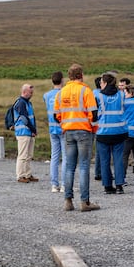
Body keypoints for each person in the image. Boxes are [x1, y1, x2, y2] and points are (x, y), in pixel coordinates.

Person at [54, 64, 100, 212]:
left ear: (69, 76)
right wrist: (93, 129)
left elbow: (56, 115)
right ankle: (84, 202)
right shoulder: (86, 91)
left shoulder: (61, 93)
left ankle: (68, 201)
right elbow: (93, 114)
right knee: (84, 166)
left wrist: (64, 125)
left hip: (68, 132)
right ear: (81, 75)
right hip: (84, 132)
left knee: (69, 167)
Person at [96, 72, 128, 194]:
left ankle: (107, 186)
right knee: (118, 159)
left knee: (104, 160)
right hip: (119, 131)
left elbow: (94, 115)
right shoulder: (121, 94)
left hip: (103, 132)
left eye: (101, 82)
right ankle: (119, 185)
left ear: (104, 83)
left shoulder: (99, 96)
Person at [43, 71, 66, 193]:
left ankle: (54, 184)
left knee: (54, 157)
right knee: (66, 157)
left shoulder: (46, 95)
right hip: (63, 128)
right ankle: (64, 185)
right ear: (62, 80)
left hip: (52, 128)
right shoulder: (64, 94)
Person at [13, 84, 38, 183]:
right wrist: (33, 129)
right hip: (23, 132)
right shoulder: (21, 103)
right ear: (24, 92)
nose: (32, 94)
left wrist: (33, 130)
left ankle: (27, 174)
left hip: (28, 132)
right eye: (30, 92)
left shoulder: (28, 103)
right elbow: (24, 118)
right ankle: (20, 175)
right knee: (23, 155)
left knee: (29, 155)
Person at [92, 76, 104, 182]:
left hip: (92, 124)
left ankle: (97, 172)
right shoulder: (102, 95)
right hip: (101, 124)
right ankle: (100, 172)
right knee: (102, 149)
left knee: (97, 149)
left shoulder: (92, 93)